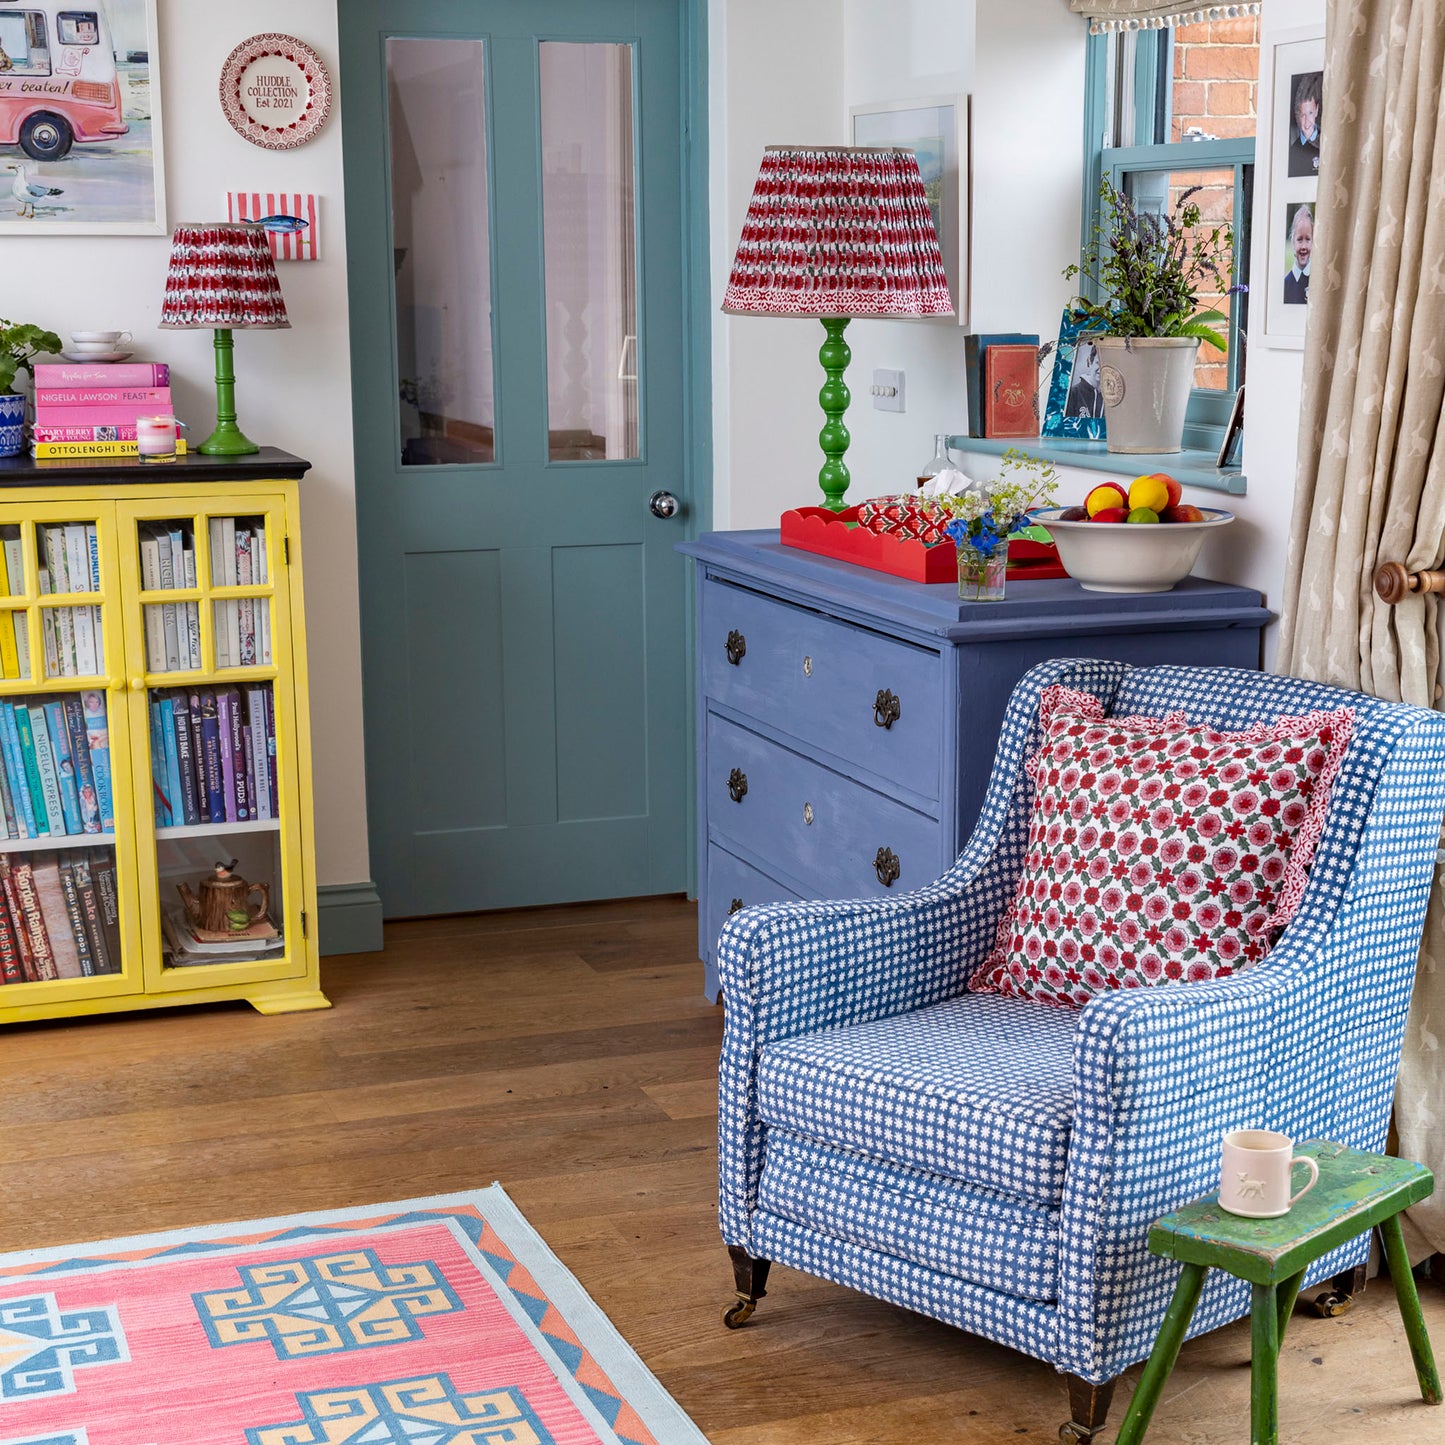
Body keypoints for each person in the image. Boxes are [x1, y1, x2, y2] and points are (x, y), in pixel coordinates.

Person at [1288, 72, 1322, 177]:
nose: (1307, 121)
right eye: (1303, 115)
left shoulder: (1327, 142)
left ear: (1316, 110)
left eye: (1310, 113)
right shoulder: (1293, 151)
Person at [1065, 339, 1103, 418]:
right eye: (1098, 363)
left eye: (1106, 364)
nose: (1101, 369)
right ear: (1090, 361)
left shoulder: (1113, 397)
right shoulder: (1073, 393)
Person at [1284, 206, 1312, 304]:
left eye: (1308, 239)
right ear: (1293, 242)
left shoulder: (1318, 280)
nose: (1304, 246)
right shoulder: (1285, 284)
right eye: (1299, 239)